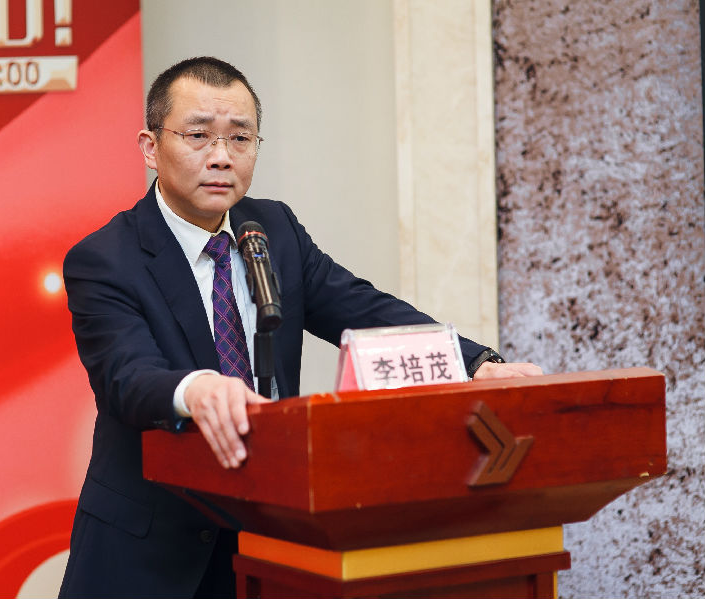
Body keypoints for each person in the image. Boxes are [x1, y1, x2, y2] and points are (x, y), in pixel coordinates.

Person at [58, 56, 542, 599]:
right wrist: (196, 390)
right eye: (198, 136)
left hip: (270, 541)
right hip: (150, 555)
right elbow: (125, 376)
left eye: (240, 138)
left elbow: (363, 309)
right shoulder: (106, 258)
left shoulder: (273, 230)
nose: (221, 156)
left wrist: (474, 364)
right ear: (151, 148)